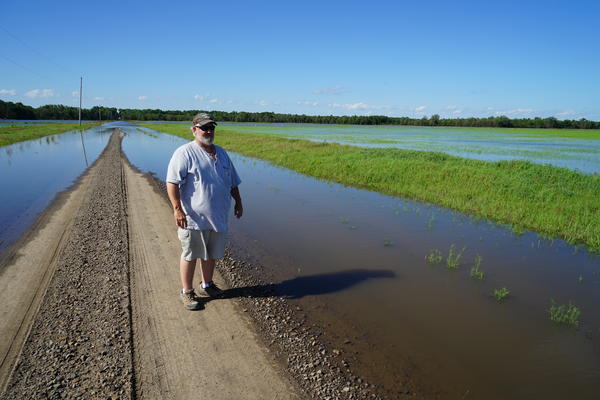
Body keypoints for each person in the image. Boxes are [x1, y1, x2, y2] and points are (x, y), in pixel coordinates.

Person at [166, 113, 243, 310]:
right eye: (204, 128)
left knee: (211, 254)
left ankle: (207, 285)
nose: (208, 131)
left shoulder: (222, 153)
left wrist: (238, 202)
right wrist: (177, 209)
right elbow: (172, 183)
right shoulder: (184, 153)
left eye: (211, 128)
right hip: (193, 218)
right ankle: (187, 292)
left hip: (217, 216)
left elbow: (232, 181)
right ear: (194, 130)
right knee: (190, 254)